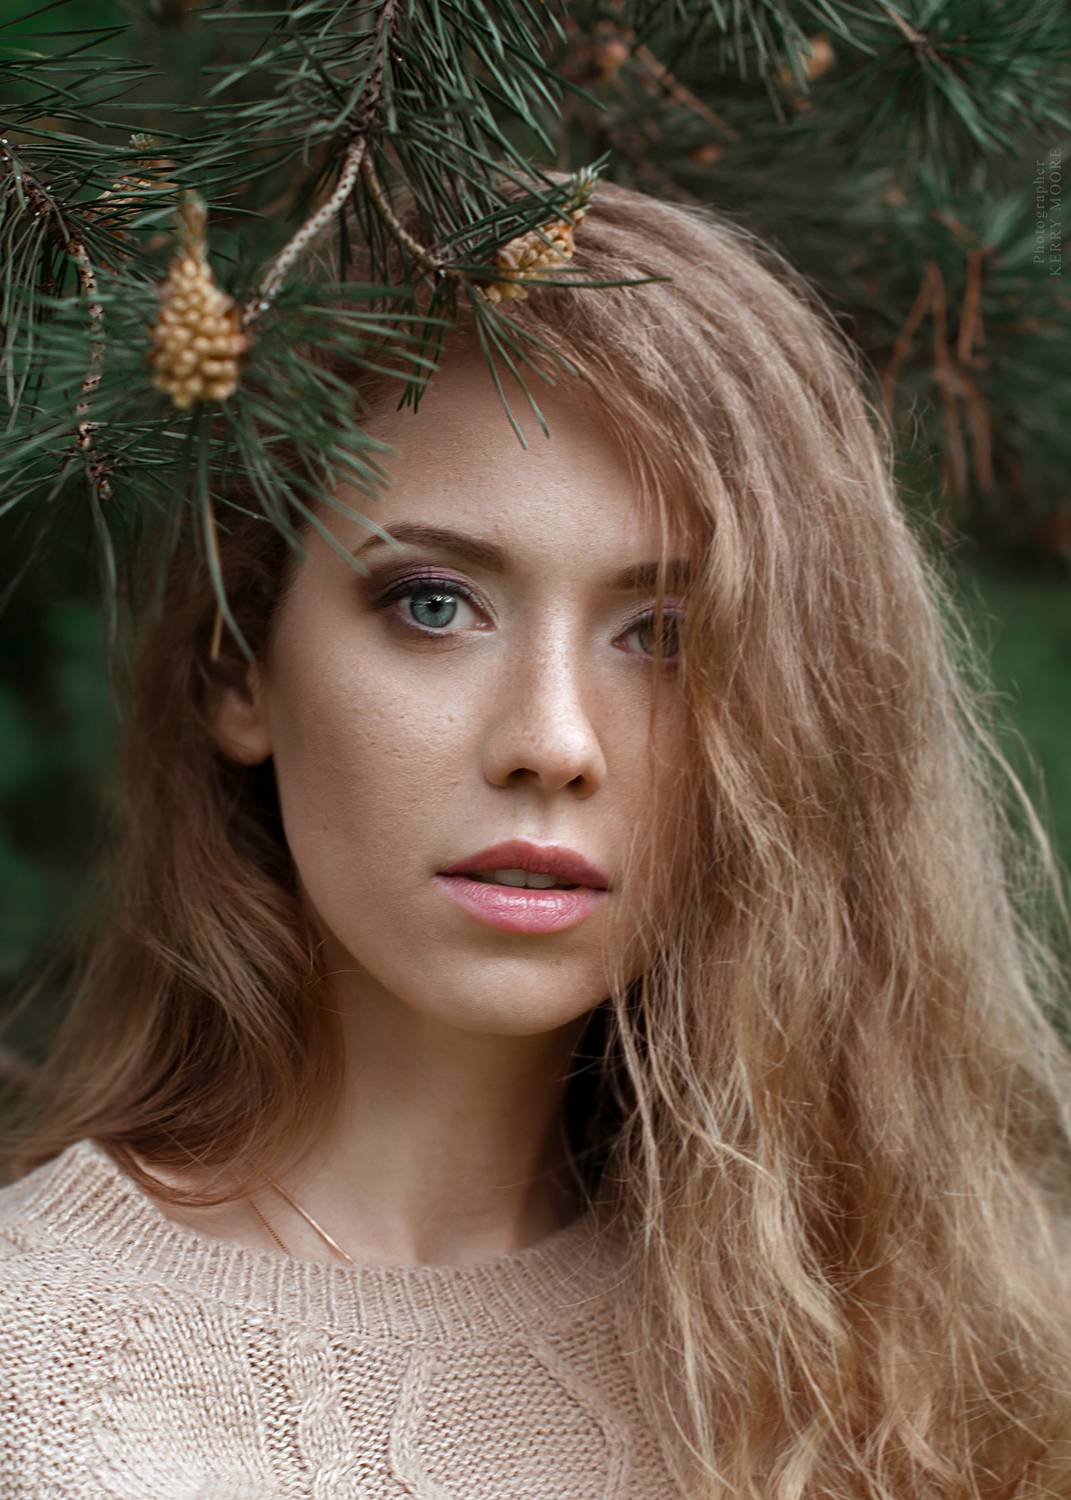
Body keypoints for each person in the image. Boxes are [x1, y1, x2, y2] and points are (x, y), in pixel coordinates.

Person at [1, 174, 1070, 1500]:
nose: (554, 742)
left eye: (665, 636)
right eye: (436, 604)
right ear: (240, 673)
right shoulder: (31, 1383)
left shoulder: (933, 1368)